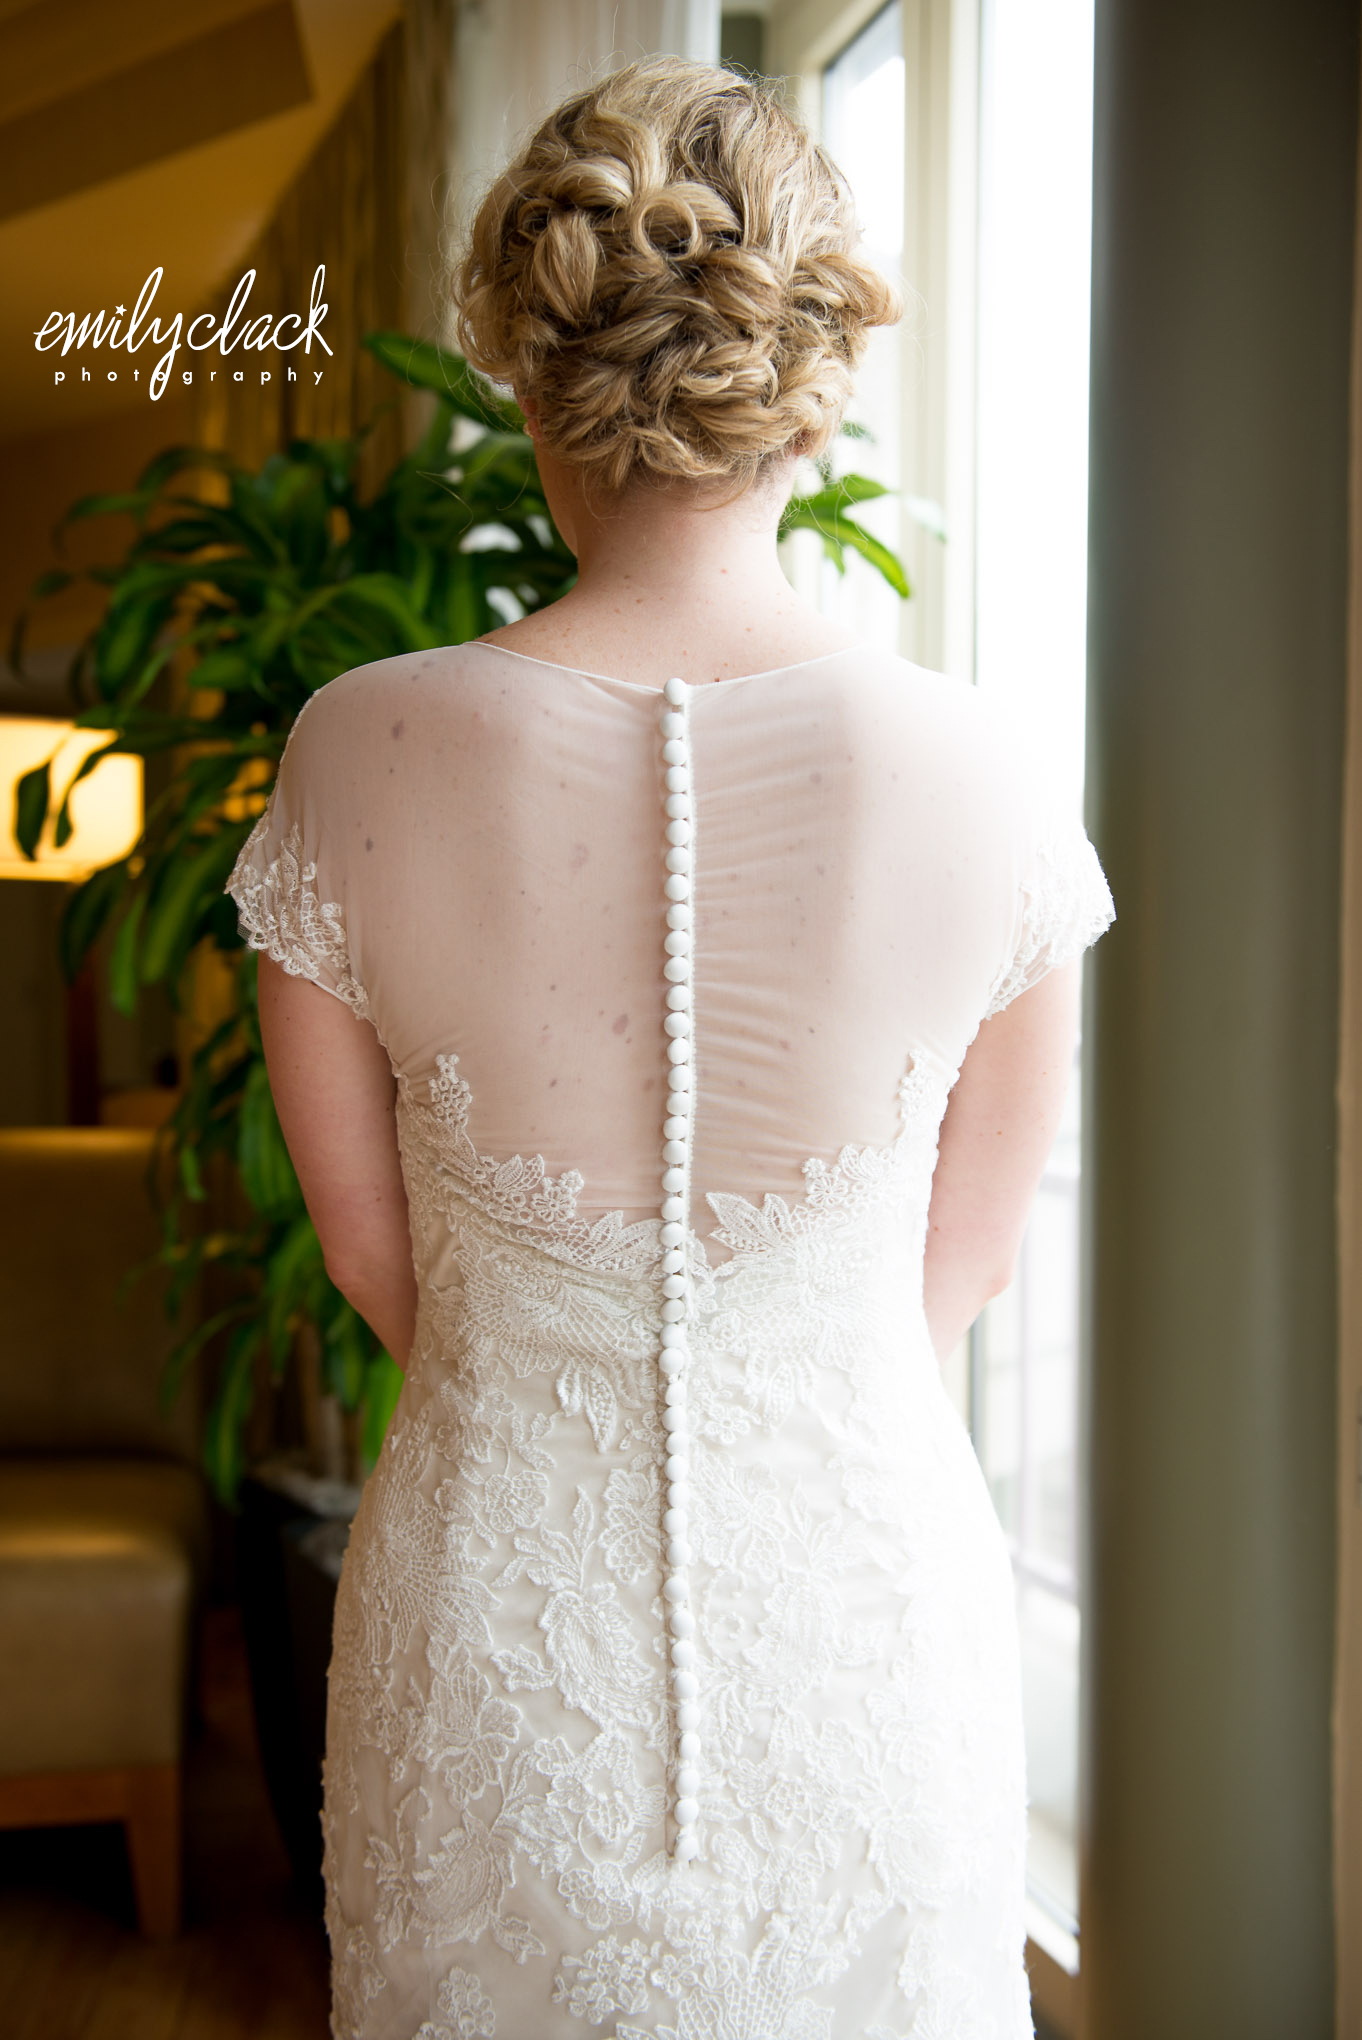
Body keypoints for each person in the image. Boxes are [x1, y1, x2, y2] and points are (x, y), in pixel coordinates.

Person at [227, 55, 1113, 2040]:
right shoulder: (979, 767)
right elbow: (949, 1286)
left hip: (496, 1647)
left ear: (525, 371)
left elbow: (386, 1272)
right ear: (806, 371)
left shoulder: (354, 747)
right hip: (867, 1642)